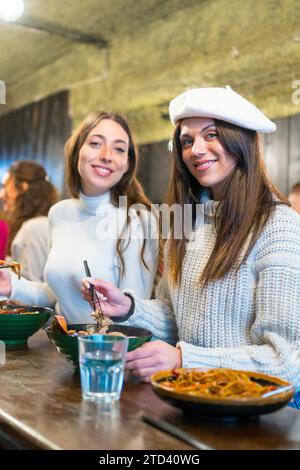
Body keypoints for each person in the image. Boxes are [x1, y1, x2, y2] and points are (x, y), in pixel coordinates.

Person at [81, 87, 300, 385]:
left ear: (242, 141)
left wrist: (186, 360)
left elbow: (285, 361)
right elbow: (176, 319)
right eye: (187, 140)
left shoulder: (278, 225)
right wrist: (129, 308)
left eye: (211, 135)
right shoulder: (186, 222)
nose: (195, 150)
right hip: (192, 398)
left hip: (259, 417)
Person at [0, 112, 159, 324]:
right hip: (62, 348)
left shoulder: (138, 221)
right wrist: (13, 285)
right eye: (95, 143)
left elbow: (134, 316)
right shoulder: (60, 213)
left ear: (127, 164)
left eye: (119, 148)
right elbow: (59, 294)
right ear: (77, 152)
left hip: (107, 352)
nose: (106, 155)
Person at [1, 161, 58, 281]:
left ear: (22, 188)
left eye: (6, 187)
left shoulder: (34, 228)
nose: (2, 195)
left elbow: (31, 288)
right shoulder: (40, 224)